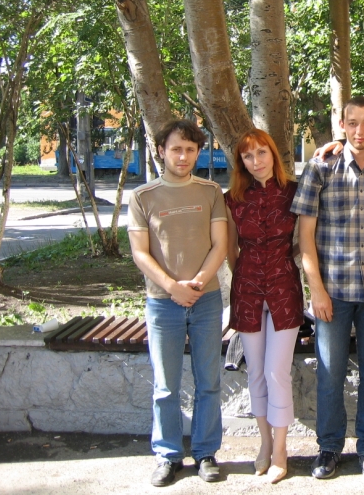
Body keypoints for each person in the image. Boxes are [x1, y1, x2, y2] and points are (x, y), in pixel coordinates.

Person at [290, 96, 364, 481]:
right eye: (352, 123)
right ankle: (329, 447)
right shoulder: (321, 168)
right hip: (332, 291)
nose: (359, 131)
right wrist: (316, 289)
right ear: (342, 125)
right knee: (330, 373)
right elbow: (305, 236)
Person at [128, 119, 228, 487]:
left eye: (189, 149)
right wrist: (173, 287)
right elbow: (140, 253)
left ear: (198, 152)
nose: (182, 156)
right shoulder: (143, 196)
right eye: (175, 149)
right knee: (166, 386)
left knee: (208, 382)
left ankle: (205, 452)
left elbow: (220, 245)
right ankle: (168, 455)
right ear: (161, 151)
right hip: (162, 302)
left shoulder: (211, 191)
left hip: (206, 299)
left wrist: (197, 283)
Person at [224, 128, 304, 484]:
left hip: (285, 291)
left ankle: (282, 449)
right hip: (247, 291)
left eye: (261, 153)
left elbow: (305, 240)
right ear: (241, 162)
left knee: (276, 371)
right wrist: (245, 276)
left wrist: (289, 262)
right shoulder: (232, 199)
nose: (256, 161)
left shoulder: (294, 192)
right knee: (255, 371)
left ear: (273, 154)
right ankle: (265, 443)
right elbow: (230, 249)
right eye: (248, 156)